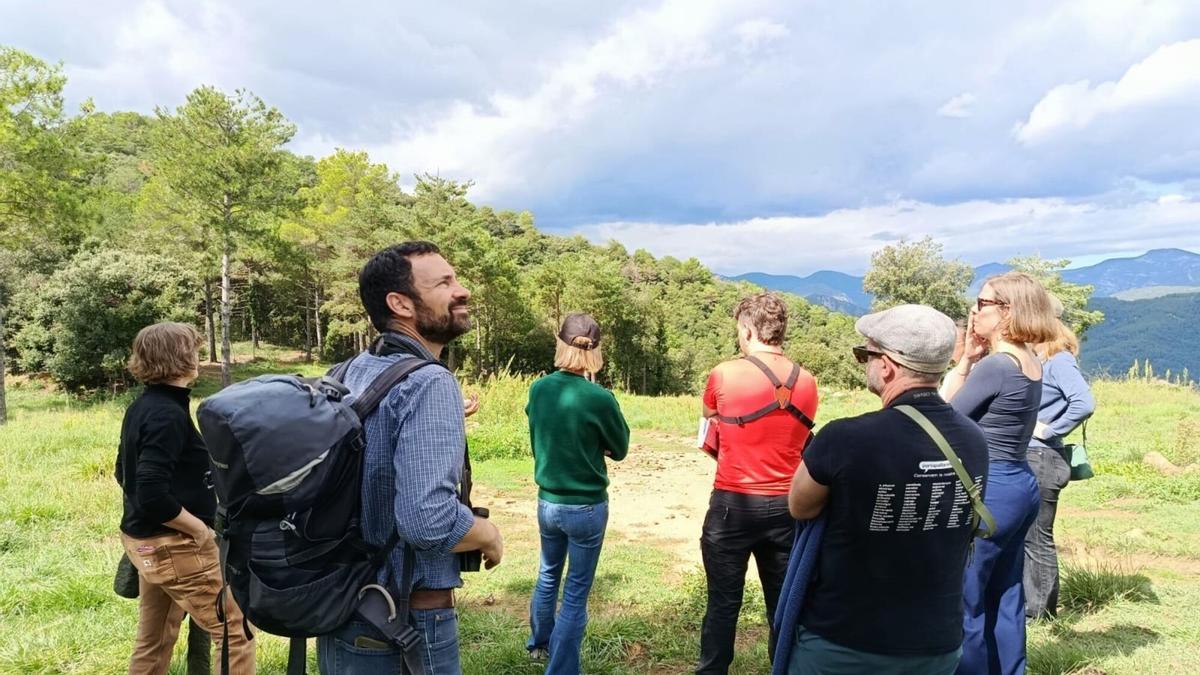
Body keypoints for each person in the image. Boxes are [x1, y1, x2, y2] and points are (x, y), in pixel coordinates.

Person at [316, 241, 504, 675]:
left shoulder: (346, 372)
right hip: (404, 623)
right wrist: (488, 534)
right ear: (400, 304)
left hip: (343, 609)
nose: (462, 290)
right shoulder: (429, 382)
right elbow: (427, 522)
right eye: (444, 283)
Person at [786, 304, 989, 674]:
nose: (864, 362)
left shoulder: (844, 438)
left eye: (865, 354)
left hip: (844, 641)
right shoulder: (974, 439)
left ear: (887, 366)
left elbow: (800, 505)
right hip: (937, 643)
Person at [116, 322, 256, 674]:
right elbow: (151, 492)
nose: (197, 356)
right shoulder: (166, 414)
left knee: (154, 638)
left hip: (146, 542)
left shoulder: (144, 406)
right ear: (179, 358)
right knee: (235, 630)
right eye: (193, 350)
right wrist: (198, 531)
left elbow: (123, 473)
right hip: (175, 546)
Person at [940, 272, 1058, 675]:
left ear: (1007, 311)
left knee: (967, 599)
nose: (973, 311)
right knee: (1007, 593)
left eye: (982, 303)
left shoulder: (997, 366)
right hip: (1020, 485)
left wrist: (964, 363)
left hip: (989, 491)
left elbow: (943, 418)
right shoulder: (1030, 360)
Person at [698, 292, 819, 674]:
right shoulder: (808, 381)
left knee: (722, 603)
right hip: (788, 506)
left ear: (748, 330)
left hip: (732, 505)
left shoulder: (724, 373)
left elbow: (709, 416)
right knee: (783, 606)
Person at [525, 313, 631, 673]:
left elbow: (541, 430)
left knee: (547, 574)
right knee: (575, 592)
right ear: (595, 352)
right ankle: (562, 668)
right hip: (586, 506)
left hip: (548, 502)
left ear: (560, 343)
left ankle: (539, 644)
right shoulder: (600, 398)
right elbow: (620, 448)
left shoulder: (539, 389)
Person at [1024, 319, 1094, 619]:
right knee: (1028, 535)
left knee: (1037, 536)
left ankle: (1040, 612)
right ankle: (1031, 605)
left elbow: (1084, 403)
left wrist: (1049, 430)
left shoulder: (1058, 360)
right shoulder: (1041, 361)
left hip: (1042, 455)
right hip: (1036, 456)